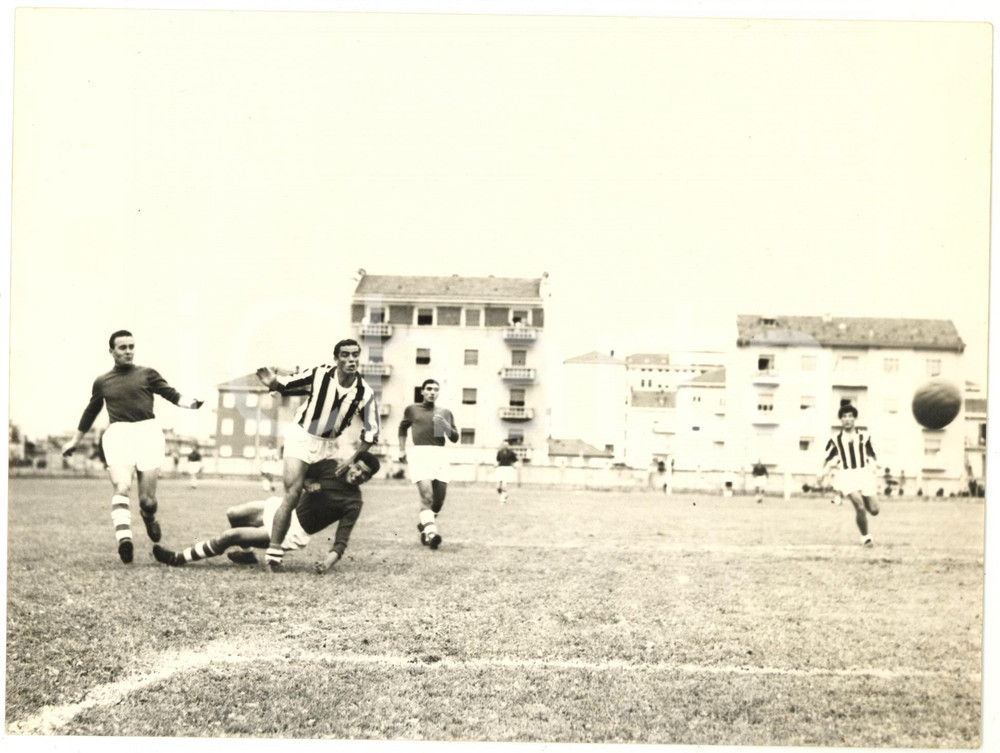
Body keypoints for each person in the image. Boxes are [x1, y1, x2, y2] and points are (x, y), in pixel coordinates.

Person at [61, 330, 204, 564]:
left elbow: (170, 393)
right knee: (121, 485)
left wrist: (191, 403)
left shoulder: (147, 374)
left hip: (148, 433)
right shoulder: (102, 381)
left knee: (148, 501)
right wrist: (75, 441)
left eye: (131, 346)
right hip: (118, 434)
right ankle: (124, 539)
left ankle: (149, 518)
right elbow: (91, 411)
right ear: (112, 351)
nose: (128, 351)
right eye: (122, 347)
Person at [254, 339, 380, 572]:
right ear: (336, 359)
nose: (351, 359)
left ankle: (262, 542)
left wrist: (352, 459)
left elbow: (372, 434)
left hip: (329, 445)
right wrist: (273, 382)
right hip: (301, 435)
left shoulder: (365, 393)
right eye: (345, 355)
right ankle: (273, 555)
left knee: (313, 485)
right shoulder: (321, 373)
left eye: (355, 355)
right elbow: (289, 383)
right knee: (292, 493)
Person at [152, 452, 380, 572]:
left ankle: (178, 558)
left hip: (293, 530)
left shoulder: (353, 501)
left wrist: (328, 563)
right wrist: (308, 482)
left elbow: (342, 538)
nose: (359, 475)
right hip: (284, 508)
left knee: (229, 536)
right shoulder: (331, 466)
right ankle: (248, 554)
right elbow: (300, 472)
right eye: (358, 468)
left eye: (365, 475)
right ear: (352, 464)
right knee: (233, 513)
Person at [398, 379, 459, 549]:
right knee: (427, 497)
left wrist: (445, 426)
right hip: (420, 454)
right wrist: (402, 449)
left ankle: (425, 524)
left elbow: (454, 438)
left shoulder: (444, 412)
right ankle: (431, 534)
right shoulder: (412, 410)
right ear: (422, 391)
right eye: (429, 389)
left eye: (436, 389)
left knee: (438, 502)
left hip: (440, 454)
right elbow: (402, 428)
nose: (432, 392)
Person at [817, 400, 880, 547]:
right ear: (841, 419)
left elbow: (873, 455)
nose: (847, 419)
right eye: (844, 416)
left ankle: (863, 501)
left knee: (874, 510)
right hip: (847, 475)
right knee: (859, 506)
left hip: (864, 474)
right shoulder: (835, 439)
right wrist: (821, 473)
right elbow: (826, 457)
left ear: (854, 418)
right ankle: (866, 538)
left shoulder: (865, 437)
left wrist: (876, 466)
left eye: (850, 416)